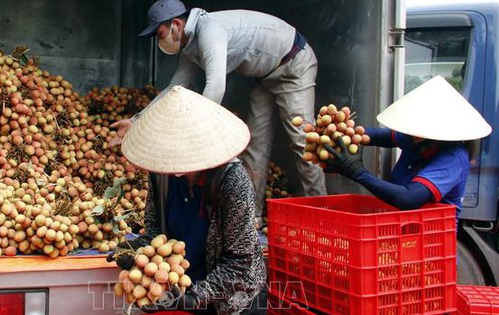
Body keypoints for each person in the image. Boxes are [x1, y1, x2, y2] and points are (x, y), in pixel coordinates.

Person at [109, 0, 326, 227]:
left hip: (293, 64)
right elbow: (175, 88)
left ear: (175, 24)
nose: (159, 39)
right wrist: (136, 120)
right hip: (265, 77)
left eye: (159, 33)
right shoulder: (189, 46)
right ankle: (251, 218)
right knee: (256, 146)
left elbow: (215, 87)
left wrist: (196, 137)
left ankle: (324, 216)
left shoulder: (209, 30)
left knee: (304, 143)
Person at [116, 85, 267, 314]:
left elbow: (240, 261)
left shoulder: (233, 182)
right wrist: (135, 250)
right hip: (183, 290)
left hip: (230, 301)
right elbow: (156, 233)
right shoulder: (162, 173)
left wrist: (196, 296)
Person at [324, 76, 492, 216]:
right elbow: (374, 136)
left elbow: (409, 198)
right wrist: (342, 133)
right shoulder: (415, 138)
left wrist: (358, 172)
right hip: (395, 231)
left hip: (429, 242)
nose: (413, 131)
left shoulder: (453, 157)